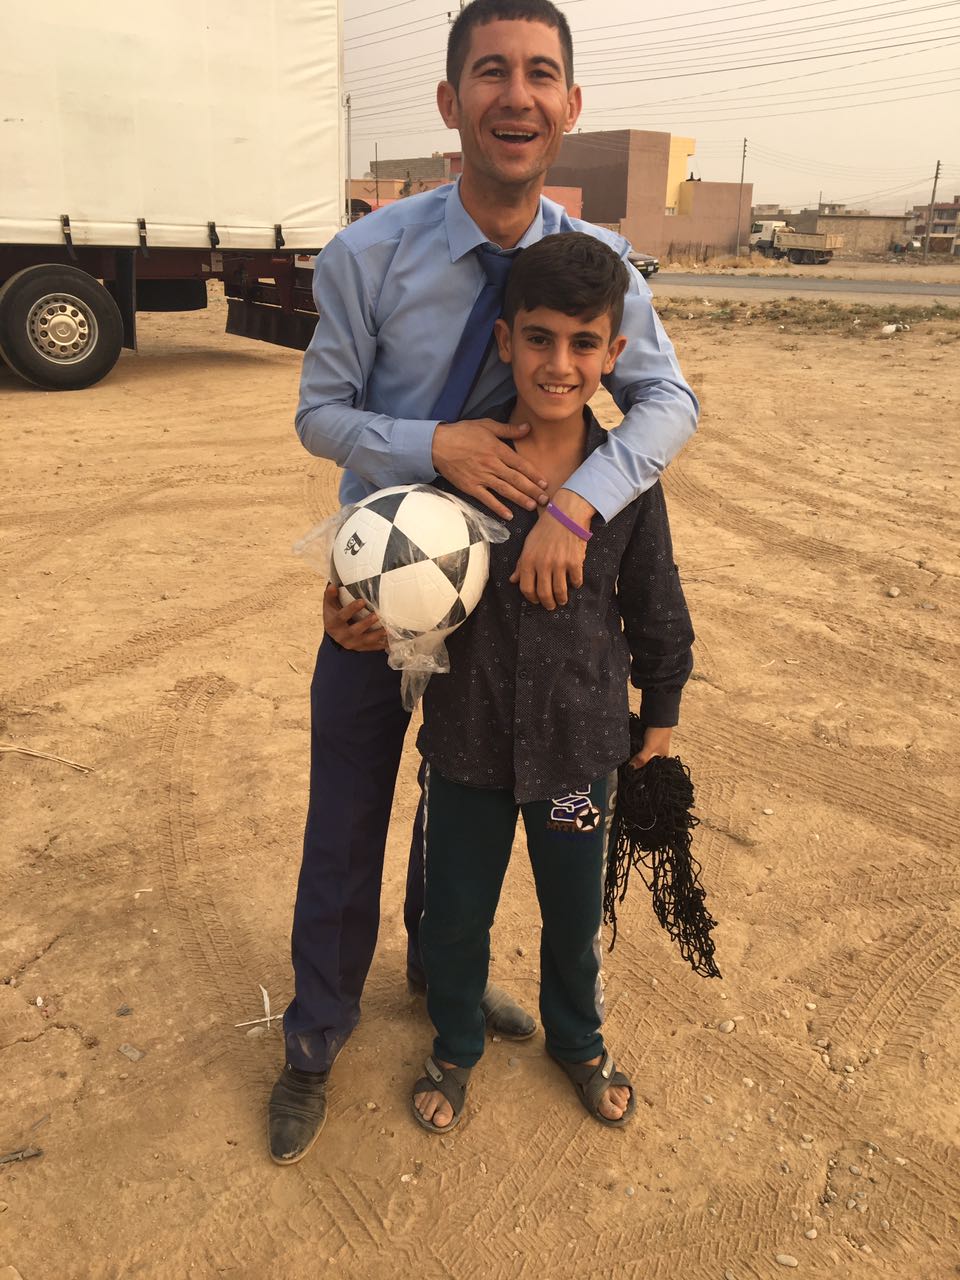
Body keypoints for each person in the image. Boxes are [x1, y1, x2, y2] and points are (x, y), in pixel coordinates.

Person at [269, 0, 699, 1165]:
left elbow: (668, 401)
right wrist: (435, 444)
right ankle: (314, 1032)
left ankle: (443, 985)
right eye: (492, 72)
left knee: (462, 798)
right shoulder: (367, 255)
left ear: (571, 106)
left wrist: (576, 503)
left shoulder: (594, 267)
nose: (518, 94)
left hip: (517, 608)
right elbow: (320, 412)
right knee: (348, 815)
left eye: (541, 73)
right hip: (383, 594)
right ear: (451, 101)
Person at [410, 232, 695, 1132]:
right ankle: (456, 1042)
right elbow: (403, 584)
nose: (559, 364)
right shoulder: (462, 473)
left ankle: (579, 1041)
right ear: (505, 341)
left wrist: (661, 713)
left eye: (583, 344)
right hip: (466, 747)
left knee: (574, 915)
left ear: (615, 354)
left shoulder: (627, 487)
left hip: (579, 753)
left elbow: (656, 604)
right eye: (539, 338)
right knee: (456, 914)